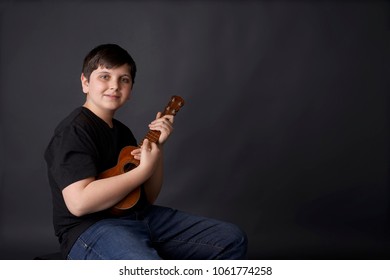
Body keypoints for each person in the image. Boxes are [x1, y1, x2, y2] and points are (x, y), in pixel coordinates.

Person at [44, 43, 247, 260]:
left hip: (138, 217)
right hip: (90, 230)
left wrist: (157, 149)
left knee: (231, 238)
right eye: (105, 76)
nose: (114, 86)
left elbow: (146, 197)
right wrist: (141, 171)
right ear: (85, 82)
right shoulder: (73, 131)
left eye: (124, 79)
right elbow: (79, 203)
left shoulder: (123, 132)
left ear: (130, 90)